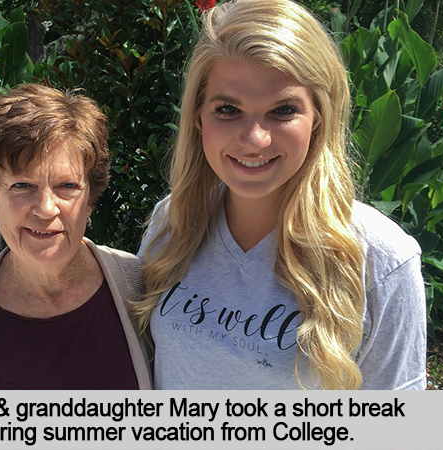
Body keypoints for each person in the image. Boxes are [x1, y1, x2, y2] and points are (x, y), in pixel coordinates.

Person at [133, 0, 426, 390]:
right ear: (198, 116)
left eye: (283, 110)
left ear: (318, 118)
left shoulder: (381, 259)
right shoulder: (171, 223)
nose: (255, 139)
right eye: (227, 109)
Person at [0, 84, 151, 390]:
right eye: (22, 185)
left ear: (91, 197)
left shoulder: (143, 290)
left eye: (67, 185)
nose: (45, 208)